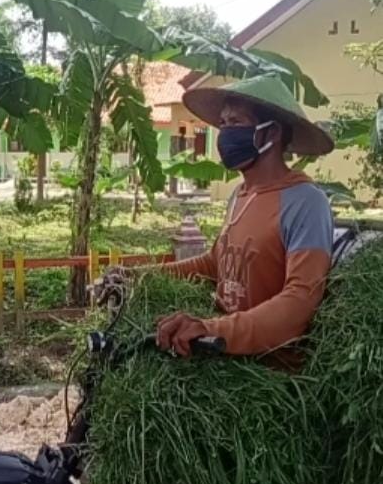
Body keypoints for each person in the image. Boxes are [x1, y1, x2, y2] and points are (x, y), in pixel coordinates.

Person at [127, 75, 335, 360]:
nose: (225, 135)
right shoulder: (240, 195)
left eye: (235, 123)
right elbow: (215, 264)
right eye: (223, 124)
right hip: (225, 355)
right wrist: (139, 276)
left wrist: (212, 329)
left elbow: (301, 300)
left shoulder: (306, 202)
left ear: (271, 134)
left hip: (269, 374)